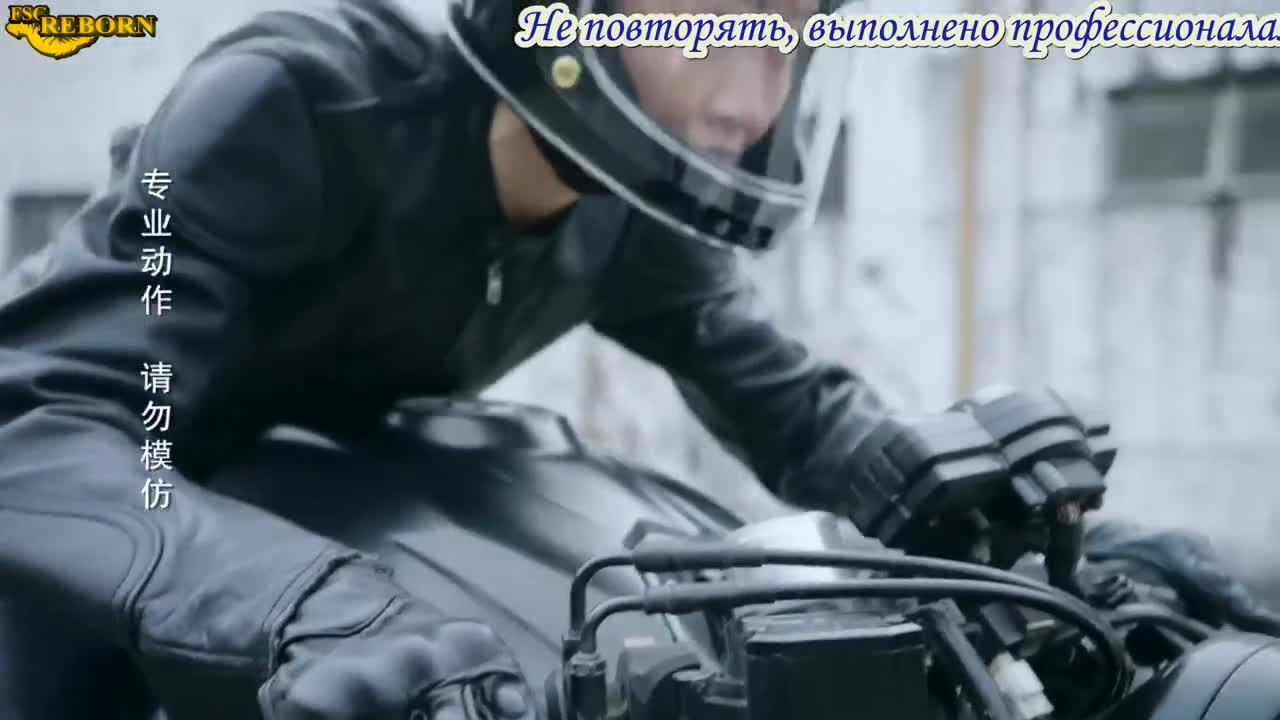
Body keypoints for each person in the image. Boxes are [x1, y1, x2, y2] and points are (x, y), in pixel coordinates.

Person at [0, 0, 1273, 718]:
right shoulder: (289, 103)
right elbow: (50, 429)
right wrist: (310, 606)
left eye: (785, 42)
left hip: (323, 501)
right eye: (720, 25)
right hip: (119, 517)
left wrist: (1037, 543)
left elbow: (795, 413)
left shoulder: (621, 203)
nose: (751, 99)